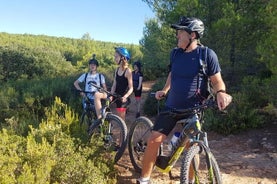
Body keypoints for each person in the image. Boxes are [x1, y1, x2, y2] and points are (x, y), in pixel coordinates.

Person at [137, 17, 233, 184]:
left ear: (192, 35)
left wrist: (221, 93)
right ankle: (144, 179)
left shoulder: (206, 55)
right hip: (171, 107)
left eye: (180, 32)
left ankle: (189, 180)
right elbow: (172, 74)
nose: (177, 35)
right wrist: (165, 90)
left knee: (191, 147)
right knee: (154, 139)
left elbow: (217, 81)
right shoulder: (175, 53)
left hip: (193, 109)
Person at [74, 54, 108, 122]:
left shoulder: (100, 76)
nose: (92, 66)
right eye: (91, 64)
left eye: (94, 65)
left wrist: (105, 94)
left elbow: (104, 87)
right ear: (89, 66)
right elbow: (75, 83)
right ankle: (89, 129)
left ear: (96, 66)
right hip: (87, 98)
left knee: (98, 114)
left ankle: (99, 127)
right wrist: (81, 92)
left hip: (97, 98)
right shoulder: (85, 75)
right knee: (87, 115)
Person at [110, 47, 133, 121]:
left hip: (123, 98)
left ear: (122, 58)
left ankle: (123, 132)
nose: (114, 58)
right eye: (114, 56)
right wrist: (111, 94)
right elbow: (114, 84)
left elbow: (131, 88)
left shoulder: (128, 71)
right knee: (118, 119)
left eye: (116, 56)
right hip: (116, 96)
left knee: (121, 120)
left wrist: (125, 97)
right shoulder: (116, 69)